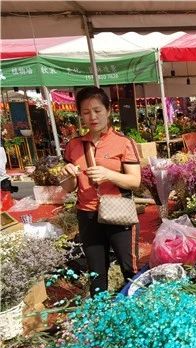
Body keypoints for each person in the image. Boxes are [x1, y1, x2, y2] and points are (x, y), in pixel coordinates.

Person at [61, 86, 141, 296]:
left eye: (97, 110)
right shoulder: (74, 146)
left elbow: (135, 181)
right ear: (80, 115)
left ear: (108, 110)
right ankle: (101, 316)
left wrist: (109, 175)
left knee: (129, 269)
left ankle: (136, 311)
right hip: (87, 215)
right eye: (86, 112)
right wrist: (68, 174)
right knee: (96, 273)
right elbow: (69, 188)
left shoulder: (123, 143)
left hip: (119, 212)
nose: (92, 117)